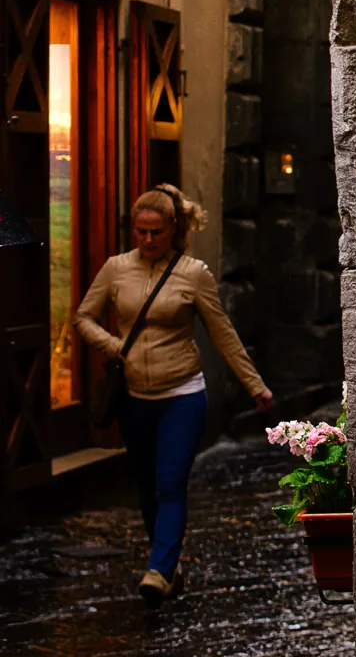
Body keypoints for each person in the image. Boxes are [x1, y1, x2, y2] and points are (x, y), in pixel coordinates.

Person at [76, 185, 273, 606]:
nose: (148, 239)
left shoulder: (193, 273)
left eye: (157, 232)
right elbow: (83, 318)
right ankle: (167, 564)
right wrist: (112, 345)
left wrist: (254, 384)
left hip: (182, 393)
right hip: (134, 397)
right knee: (147, 485)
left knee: (170, 482)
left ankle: (159, 569)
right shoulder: (115, 269)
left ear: (172, 229)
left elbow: (222, 333)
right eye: (141, 231)